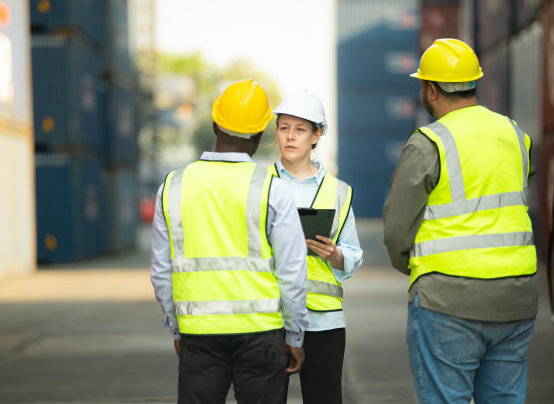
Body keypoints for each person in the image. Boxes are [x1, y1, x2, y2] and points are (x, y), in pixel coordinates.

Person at [383, 38, 538, 404]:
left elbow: (396, 229)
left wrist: (420, 268)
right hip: (515, 298)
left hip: (447, 301)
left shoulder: (428, 142)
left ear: (431, 89)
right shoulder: (515, 135)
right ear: (473, 82)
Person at [150, 79, 309, 404]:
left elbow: (161, 271)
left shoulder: (173, 186)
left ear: (214, 123)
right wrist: (294, 335)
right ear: (259, 134)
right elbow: (292, 270)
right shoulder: (272, 189)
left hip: (199, 335)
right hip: (261, 334)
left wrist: (177, 330)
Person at [268, 90, 363, 404]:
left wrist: (336, 254)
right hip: (269, 318)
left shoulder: (339, 191)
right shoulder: (259, 183)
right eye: (284, 128)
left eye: (300, 129)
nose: (290, 137)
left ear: (316, 135)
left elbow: (352, 252)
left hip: (323, 321)